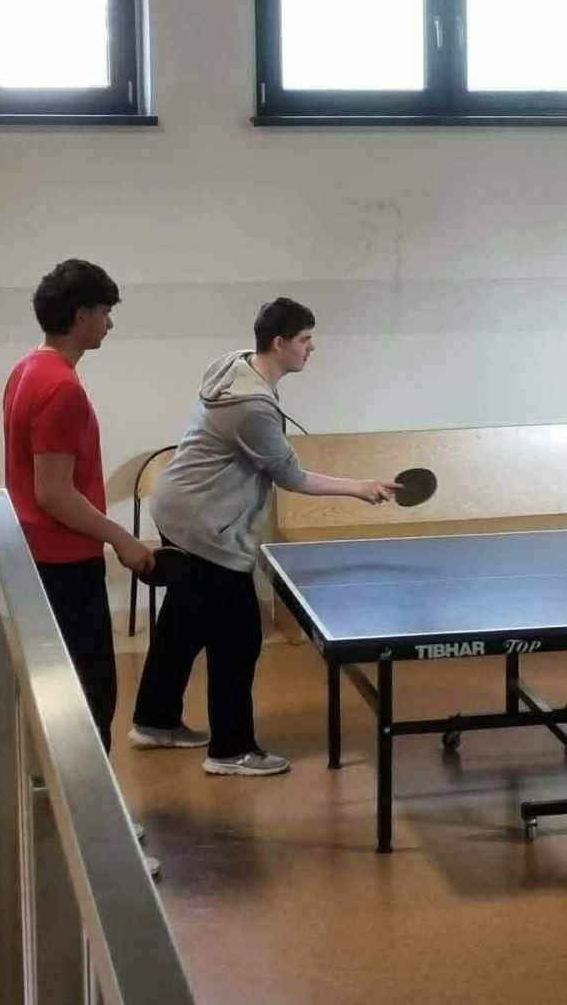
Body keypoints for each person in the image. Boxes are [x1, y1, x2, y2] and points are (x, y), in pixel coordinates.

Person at [130, 297, 400, 776]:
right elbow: (290, 476)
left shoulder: (236, 365)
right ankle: (231, 750)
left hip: (176, 506)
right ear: (279, 343)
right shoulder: (252, 406)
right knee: (238, 637)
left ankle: (155, 721)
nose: (311, 348)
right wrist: (359, 487)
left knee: (183, 622)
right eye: (305, 340)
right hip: (202, 524)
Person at [2, 259, 160, 874]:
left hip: (40, 557)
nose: (109, 324)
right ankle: (95, 836)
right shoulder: (62, 388)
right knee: (91, 698)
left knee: (72, 696)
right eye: (104, 312)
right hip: (64, 563)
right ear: (80, 316)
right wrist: (122, 539)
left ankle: (79, 815)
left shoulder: (26, 368)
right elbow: (53, 492)